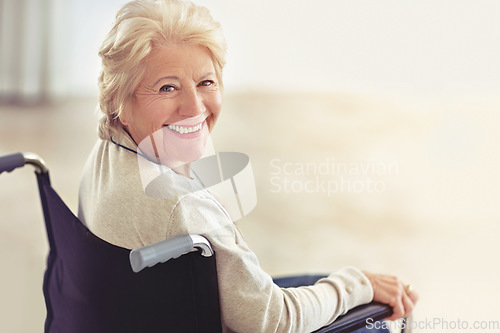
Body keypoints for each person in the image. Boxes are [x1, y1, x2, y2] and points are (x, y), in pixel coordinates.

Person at [78, 0, 418, 332]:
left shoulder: (107, 153)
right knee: (377, 314)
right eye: (168, 87)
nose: (194, 107)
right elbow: (274, 321)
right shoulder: (181, 208)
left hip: (152, 312)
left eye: (205, 82)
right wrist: (359, 285)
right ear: (120, 101)